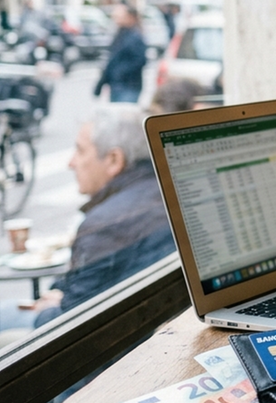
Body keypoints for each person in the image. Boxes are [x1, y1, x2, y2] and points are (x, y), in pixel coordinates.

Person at [0, 105, 174, 333]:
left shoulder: (105, 224)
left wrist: (52, 305)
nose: (71, 163)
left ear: (113, 159)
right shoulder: (165, 190)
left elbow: (71, 324)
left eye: (80, 151)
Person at [95, 4, 148, 103]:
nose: (116, 20)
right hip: (117, 85)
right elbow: (111, 60)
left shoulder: (134, 36)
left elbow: (140, 60)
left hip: (129, 86)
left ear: (129, 17)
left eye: (119, 17)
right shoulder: (120, 34)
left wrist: (120, 73)